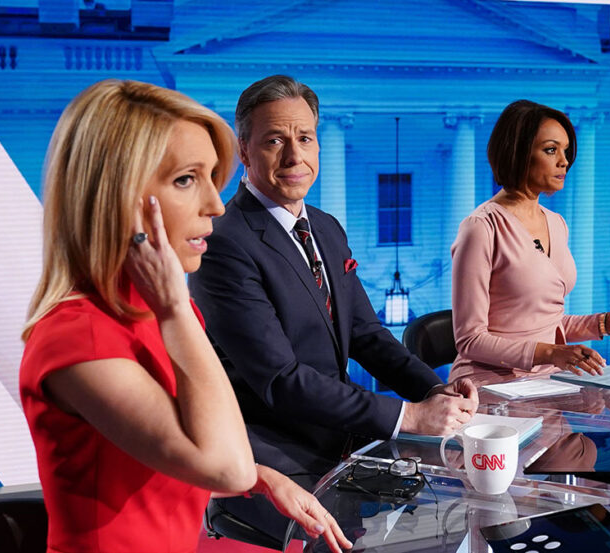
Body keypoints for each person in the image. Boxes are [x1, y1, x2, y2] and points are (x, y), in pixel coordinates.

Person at [19, 79, 351, 553]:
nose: (216, 206)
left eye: (211, 178)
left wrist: (263, 477)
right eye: (185, 180)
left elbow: (165, 454)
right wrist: (176, 309)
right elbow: (226, 465)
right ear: (117, 194)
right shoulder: (80, 338)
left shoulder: (155, 309)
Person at [189, 75, 478, 538]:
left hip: (346, 443)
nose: (294, 156)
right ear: (244, 151)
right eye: (274, 141)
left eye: (304, 138)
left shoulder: (325, 227)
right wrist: (407, 417)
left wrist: (432, 392)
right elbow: (281, 381)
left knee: (460, 516)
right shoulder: (223, 245)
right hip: (278, 462)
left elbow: (366, 334)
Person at [449, 99, 610, 386]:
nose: (565, 161)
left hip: (546, 380)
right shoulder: (481, 228)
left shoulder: (557, 223)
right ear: (518, 153)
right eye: (551, 150)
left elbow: (549, 324)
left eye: (566, 151)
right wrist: (552, 353)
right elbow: (470, 341)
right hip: (489, 385)